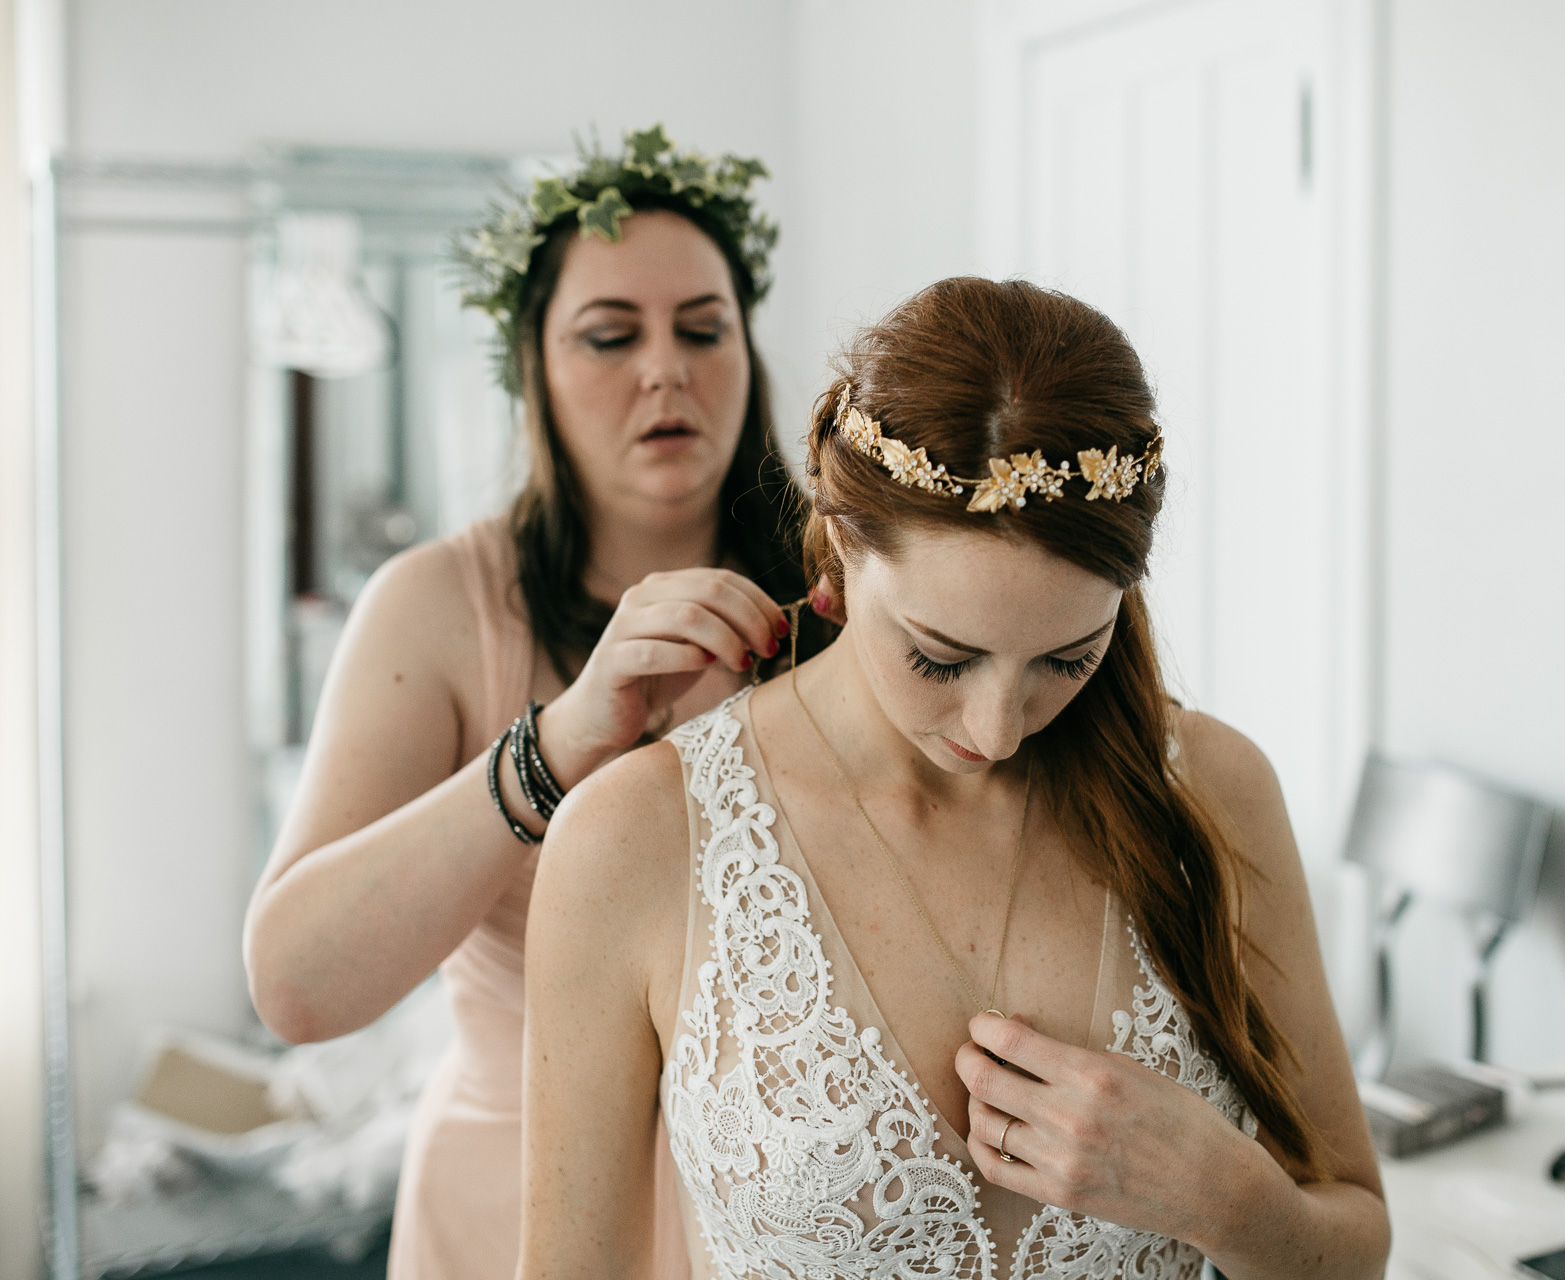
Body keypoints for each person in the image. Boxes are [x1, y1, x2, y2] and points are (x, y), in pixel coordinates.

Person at [520, 277, 1391, 1280]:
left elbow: (1354, 1245)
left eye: (1069, 658)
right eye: (940, 656)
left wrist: (1227, 1197)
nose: (999, 727)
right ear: (843, 539)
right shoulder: (638, 836)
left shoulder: (1217, 788)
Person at [243, 126, 823, 1280]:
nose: (666, 369)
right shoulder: (437, 607)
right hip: (511, 1207)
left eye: (704, 330)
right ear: (533, 372)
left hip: (786, 1208)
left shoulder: (837, 587)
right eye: (612, 336)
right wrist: (554, 746)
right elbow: (296, 985)